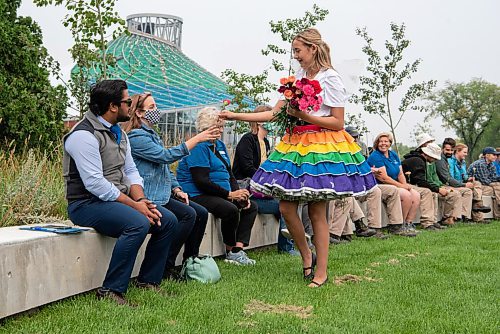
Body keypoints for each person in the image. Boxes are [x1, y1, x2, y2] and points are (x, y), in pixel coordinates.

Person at [220, 28, 377, 287]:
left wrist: (305, 117)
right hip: (295, 144)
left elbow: (338, 122)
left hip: (322, 145)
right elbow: (273, 113)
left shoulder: (330, 79)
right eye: (294, 51)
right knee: (286, 207)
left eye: (298, 50)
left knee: (317, 210)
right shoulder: (296, 80)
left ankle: (321, 271)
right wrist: (235, 116)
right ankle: (306, 255)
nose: (295, 56)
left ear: (312, 49)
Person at [63, 80, 179, 306]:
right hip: (86, 204)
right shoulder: (83, 135)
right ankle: (111, 289)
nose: (130, 105)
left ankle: (148, 281)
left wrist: (142, 200)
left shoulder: (119, 134)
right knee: (137, 223)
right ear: (112, 106)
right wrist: (135, 207)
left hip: (115, 200)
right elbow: (95, 184)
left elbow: (131, 172)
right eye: (127, 101)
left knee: (168, 221)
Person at [125, 92, 220, 280]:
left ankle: (189, 262)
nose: (156, 111)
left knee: (199, 213)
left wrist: (176, 188)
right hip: (150, 195)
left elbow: (165, 168)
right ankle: (165, 266)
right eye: (151, 108)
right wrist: (197, 139)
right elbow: (166, 156)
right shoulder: (136, 137)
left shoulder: (153, 135)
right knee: (186, 215)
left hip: (163, 193)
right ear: (139, 113)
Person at [177, 107, 259, 265]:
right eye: (218, 126)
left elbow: (230, 174)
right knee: (230, 209)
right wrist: (229, 195)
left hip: (219, 192)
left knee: (251, 206)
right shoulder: (198, 147)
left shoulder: (220, 145)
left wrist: (238, 193)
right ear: (207, 127)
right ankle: (229, 252)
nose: (221, 130)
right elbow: (201, 181)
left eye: (222, 126)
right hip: (197, 194)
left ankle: (238, 249)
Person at [232, 105, 297, 255]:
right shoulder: (247, 140)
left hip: (261, 190)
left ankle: (289, 244)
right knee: (284, 205)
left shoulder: (265, 142)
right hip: (248, 190)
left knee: (288, 203)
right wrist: (267, 182)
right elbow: (247, 168)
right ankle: (286, 247)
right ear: (260, 121)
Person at [366, 133, 418, 236]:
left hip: (395, 184)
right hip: (381, 185)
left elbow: (400, 173)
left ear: (390, 143)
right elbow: (384, 178)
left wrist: (405, 185)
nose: (383, 144)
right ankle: (398, 225)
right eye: (381, 141)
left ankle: (408, 223)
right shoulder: (375, 156)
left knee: (415, 195)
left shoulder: (393, 154)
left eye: (386, 141)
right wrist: (402, 186)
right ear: (377, 143)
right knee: (406, 195)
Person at [402, 142, 457, 230]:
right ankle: (427, 223)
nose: (435, 160)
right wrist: (438, 189)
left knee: (433, 193)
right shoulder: (418, 161)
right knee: (427, 191)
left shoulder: (420, 160)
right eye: (434, 157)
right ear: (428, 154)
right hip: (404, 184)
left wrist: (437, 189)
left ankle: (432, 221)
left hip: (410, 184)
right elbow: (420, 181)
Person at [436, 140, 490, 222]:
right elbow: (449, 178)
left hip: (458, 183)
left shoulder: (463, 162)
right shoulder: (449, 161)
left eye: (451, 150)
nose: (466, 154)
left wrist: (468, 178)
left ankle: (476, 208)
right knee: (468, 191)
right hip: (452, 184)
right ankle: (466, 216)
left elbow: (463, 175)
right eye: (464, 152)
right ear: (457, 151)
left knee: (476, 183)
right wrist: (464, 184)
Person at [468, 147, 500, 219]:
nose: (496, 156)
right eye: (493, 155)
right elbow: (484, 180)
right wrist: (495, 182)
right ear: (487, 155)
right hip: (475, 184)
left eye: (496, 155)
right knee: (497, 187)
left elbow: (494, 177)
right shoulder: (481, 164)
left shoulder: (491, 164)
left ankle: (497, 215)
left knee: (497, 188)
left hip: (484, 184)